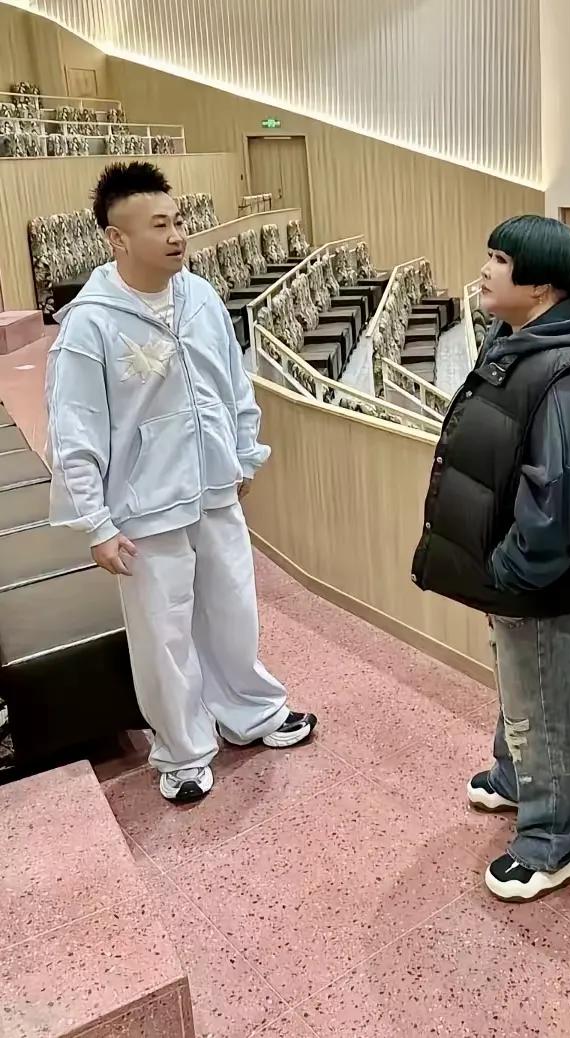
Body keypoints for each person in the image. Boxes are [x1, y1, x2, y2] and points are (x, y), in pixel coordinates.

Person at [46, 162, 317, 804]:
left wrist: (243, 455)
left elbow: (233, 383)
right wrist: (97, 524)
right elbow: (74, 429)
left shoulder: (200, 297)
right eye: (159, 226)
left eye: (178, 221)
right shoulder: (90, 323)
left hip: (214, 488)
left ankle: (251, 713)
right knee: (163, 635)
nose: (176, 236)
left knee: (233, 609)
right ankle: (183, 749)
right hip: (143, 508)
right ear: (117, 239)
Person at [411, 215, 570, 902]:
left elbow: (561, 496)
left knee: (549, 700)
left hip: (537, 575)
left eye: (499, 259)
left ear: (541, 286)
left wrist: (513, 572)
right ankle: (515, 778)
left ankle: (556, 840)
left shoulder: (567, 371)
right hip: (512, 569)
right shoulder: (519, 339)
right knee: (521, 683)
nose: (484, 269)